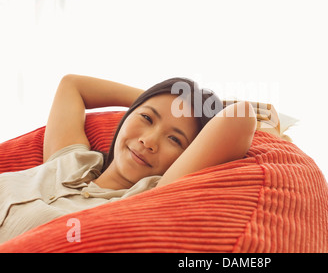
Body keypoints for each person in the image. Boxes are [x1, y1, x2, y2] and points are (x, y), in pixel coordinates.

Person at [0, 74, 256, 243]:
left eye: (175, 139)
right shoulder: (73, 158)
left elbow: (240, 117)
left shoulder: (144, 199)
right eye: (146, 118)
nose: (149, 141)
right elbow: (72, 85)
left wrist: (203, 106)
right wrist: (157, 98)